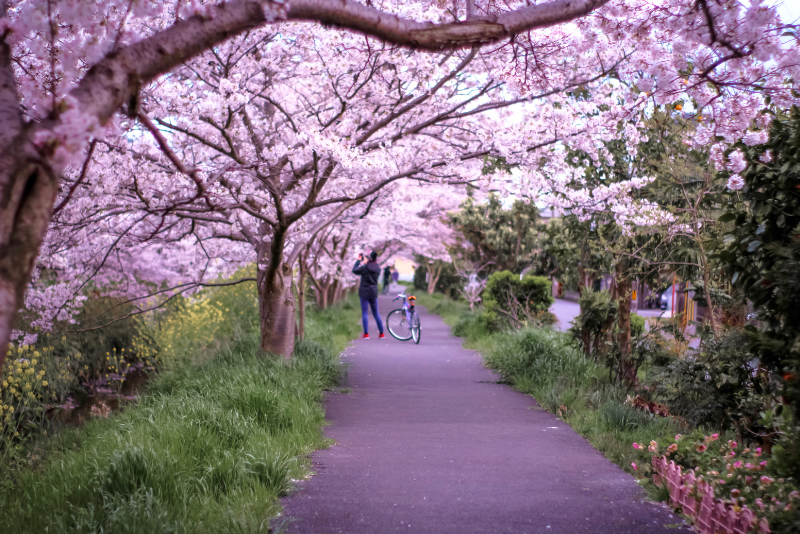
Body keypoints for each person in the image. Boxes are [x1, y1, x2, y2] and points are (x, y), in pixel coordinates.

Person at [353, 251, 385, 339]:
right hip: (373, 292)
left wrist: (358, 261)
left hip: (364, 292)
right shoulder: (378, 268)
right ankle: (382, 333)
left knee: (365, 313)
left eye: (366, 257)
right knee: (376, 313)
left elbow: (355, 270)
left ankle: (366, 334)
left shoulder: (365, 268)